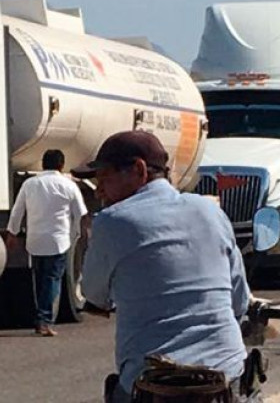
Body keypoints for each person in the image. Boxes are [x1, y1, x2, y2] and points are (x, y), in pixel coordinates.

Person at [73, 131, 251, 402]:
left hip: (151, 384)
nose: (99, 190)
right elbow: (239, 301)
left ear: (138, 169)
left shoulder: (112, 221)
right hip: (224, 377)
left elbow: (94, 293)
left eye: (104, 178)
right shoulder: (211, 211)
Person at [6, 149, 88, 337]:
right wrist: (79, 234)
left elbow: (18, 211)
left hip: (34, 240)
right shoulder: (68, 185)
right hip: (58, 240)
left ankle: (41, 316)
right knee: (52, 280)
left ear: (43, 164)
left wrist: (12, 233)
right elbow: (81, 214)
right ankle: (44, 320)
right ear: (61, 165)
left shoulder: (30, 184)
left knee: (39, 279)